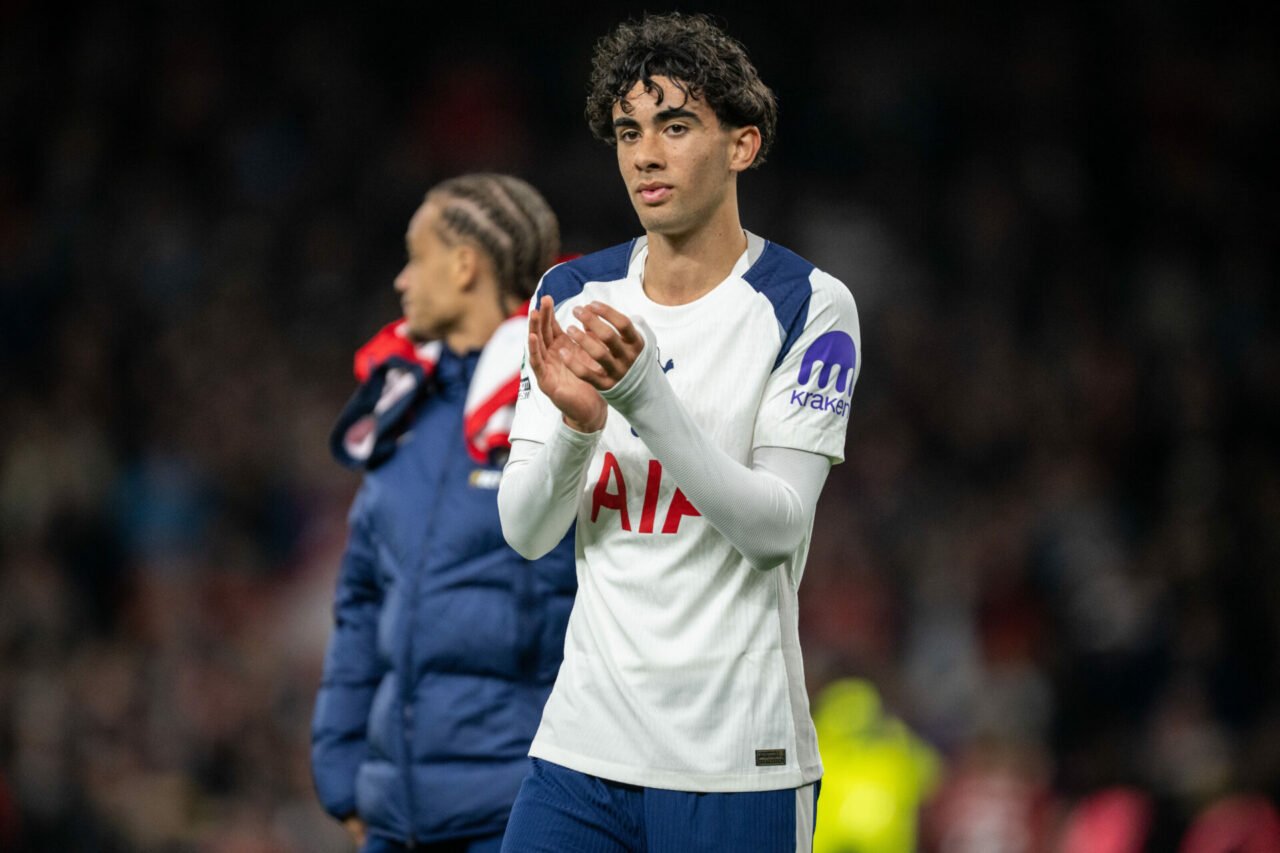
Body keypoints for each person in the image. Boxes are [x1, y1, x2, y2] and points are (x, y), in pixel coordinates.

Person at [496, 13, 862, 852]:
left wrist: (641, 394)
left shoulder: (808, 303)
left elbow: (776, 528)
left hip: (735, 763)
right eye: (629, 131)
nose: (645, 155)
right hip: (580, 754)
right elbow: (524, 531)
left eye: (676, 125)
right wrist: (579, 430)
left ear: (743, 144)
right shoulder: (574, 289)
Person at [311, 173, 577, 853]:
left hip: (517, 815)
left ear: (465, 265)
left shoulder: (564, 405)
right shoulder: (401, 410)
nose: (402, 279)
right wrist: (342, 773)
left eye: (416, 255)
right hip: (394, 820)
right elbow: (362, 599)